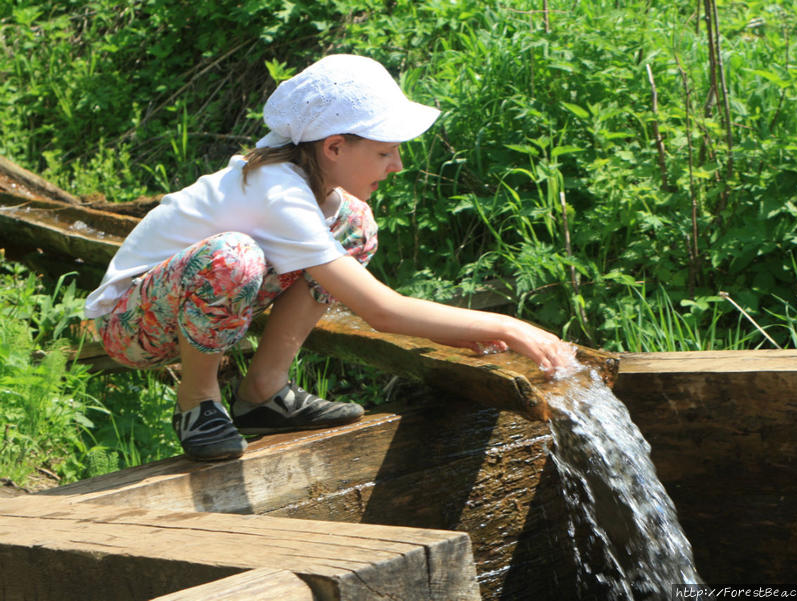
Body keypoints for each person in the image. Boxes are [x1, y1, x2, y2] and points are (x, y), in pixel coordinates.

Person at [84, 54, 572, 462]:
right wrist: (507, 326)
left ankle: (264, 393)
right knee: (233, 256)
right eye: (385, 153)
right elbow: (380, 311)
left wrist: (470, 330)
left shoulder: (313, 181)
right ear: (334, 146)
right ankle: (198, 403)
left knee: (355, 224)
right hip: (132, 326)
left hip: (198, 310)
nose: (398, 165)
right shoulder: (277, 192)